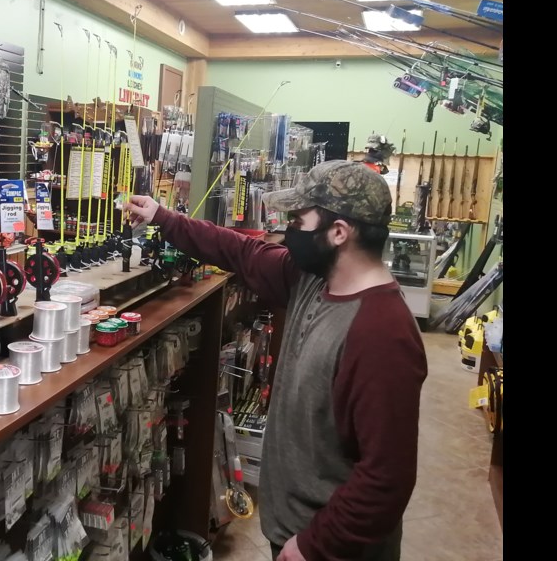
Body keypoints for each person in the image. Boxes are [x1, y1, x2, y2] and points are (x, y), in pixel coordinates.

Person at [125, 160, 427, 561]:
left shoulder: (383, 334)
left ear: (338, 233)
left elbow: (386, 480)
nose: (289, 231)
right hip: (292, 530)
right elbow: (242, 250)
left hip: (334, 548)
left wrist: (313, 545)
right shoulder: (312, 278)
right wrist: (164, 218)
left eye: (299, 220)